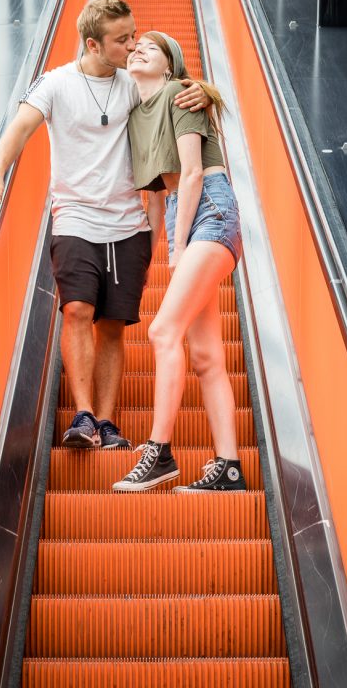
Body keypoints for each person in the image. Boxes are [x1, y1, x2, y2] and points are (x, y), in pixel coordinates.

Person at [0, 0, 208, 450]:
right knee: (76, 310)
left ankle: (106, 421)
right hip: (74, 217)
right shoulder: (57, 84)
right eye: (123, 40)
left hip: (128, 225)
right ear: (93, 44)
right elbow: (20, 127)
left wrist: (198, 89)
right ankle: (82, 416)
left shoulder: (132, 81)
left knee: (113, 324)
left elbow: (172, 90)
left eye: (134, 34)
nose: (133, 45)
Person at [112, 31, 246, 492]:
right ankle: (229, 467)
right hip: (182, 212)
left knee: (162, 331)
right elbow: (157, 196)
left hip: (208, 207)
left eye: (153, 47)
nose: (140, 49)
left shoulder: (177, 93)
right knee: (207, 355)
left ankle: (159, 452)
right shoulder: (135, 113)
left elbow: (190, 173)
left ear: (170, 66)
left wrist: (179, 245)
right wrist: (154, 254)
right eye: (136, 46)